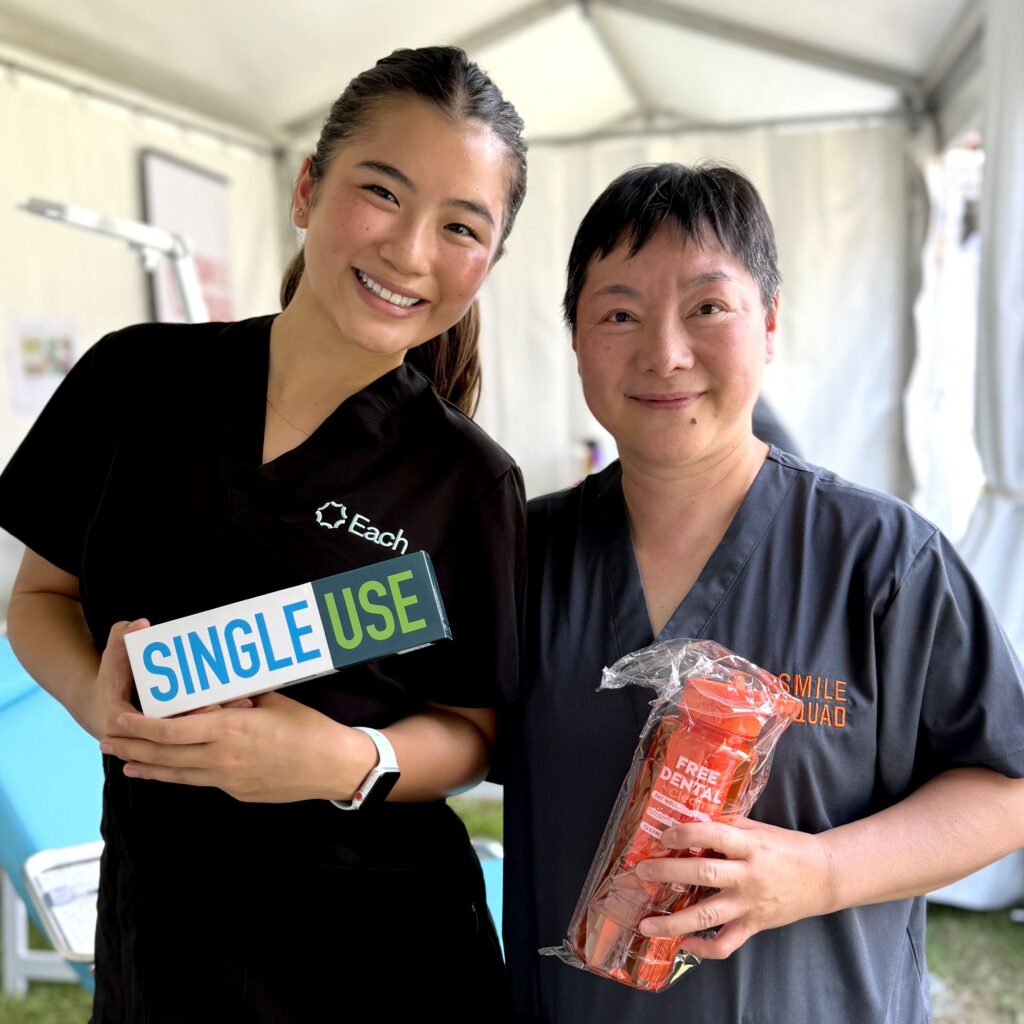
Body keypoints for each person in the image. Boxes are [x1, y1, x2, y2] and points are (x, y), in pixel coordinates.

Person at [0, 45, 527, 1023]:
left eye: (461, 226)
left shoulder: (467, 482)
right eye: (382, 192)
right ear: (307, 188)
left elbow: (474, 732)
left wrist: (343, 761)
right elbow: (38, 597)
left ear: (487, 262)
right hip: (161, 935)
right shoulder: (134, 382)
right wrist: (91, 698)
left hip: (381, 962)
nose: (411, 251)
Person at [502, 163, 1024, 1023]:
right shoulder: (523, 554)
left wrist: (822, 873)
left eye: (708, 307)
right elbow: (443, 733)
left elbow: (1006, 787)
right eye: (619, 314)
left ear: (770, 323)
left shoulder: (883, 558)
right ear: (576, 341)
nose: (665, 353)